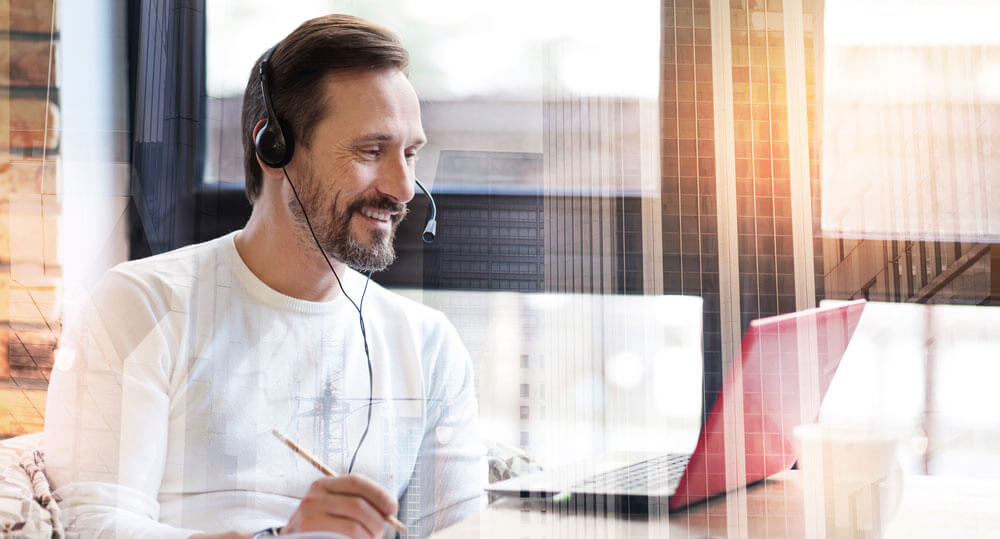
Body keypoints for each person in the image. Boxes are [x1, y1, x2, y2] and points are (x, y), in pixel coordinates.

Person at [43, 14, 486, 538]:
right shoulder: (142, 304)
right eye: (371, 151)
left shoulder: (428, 344)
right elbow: (93, 524)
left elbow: (460, 530)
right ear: (273, 148)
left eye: (410, 154)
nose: (404, 188)